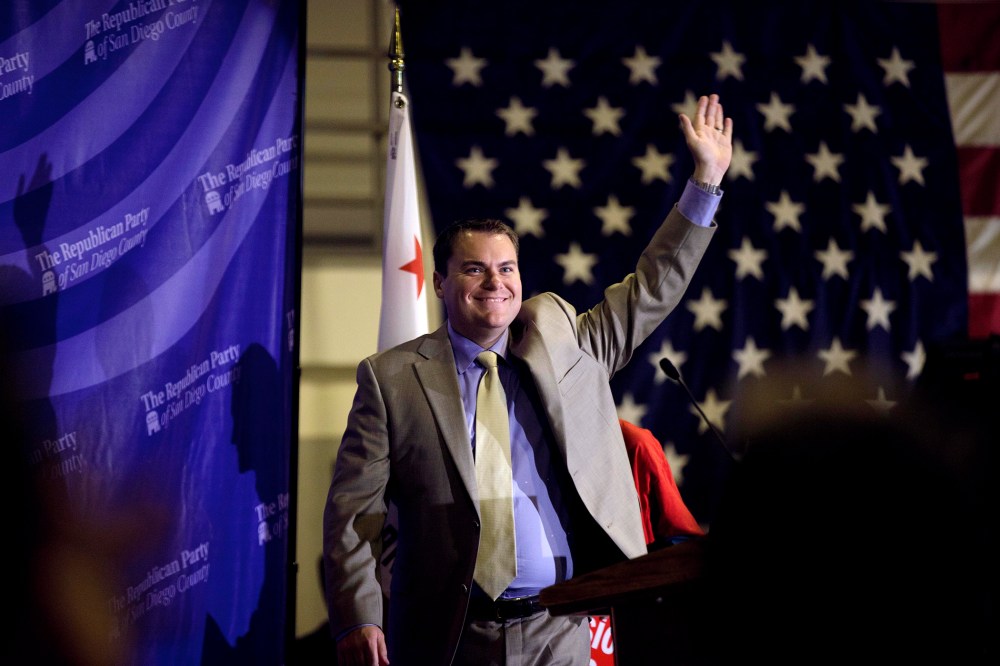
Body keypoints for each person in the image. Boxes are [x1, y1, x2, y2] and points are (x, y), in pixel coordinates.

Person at [324, 94, 733, 665]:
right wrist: (358, 616)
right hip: (450, 638)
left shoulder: (563, 339)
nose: (496, 282)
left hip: (560, 629)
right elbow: (353, 515)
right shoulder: (391, 379)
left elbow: (651, 289)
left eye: (507, 268)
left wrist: (705, 183)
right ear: (440, 282)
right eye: (475, 269)